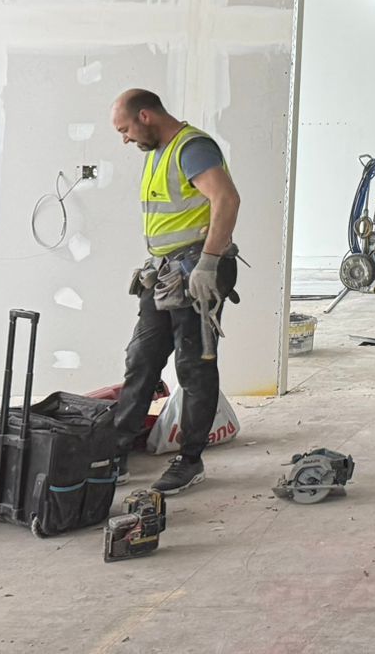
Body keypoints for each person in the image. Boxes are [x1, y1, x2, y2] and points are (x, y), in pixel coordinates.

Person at [110, 89, 241, 495]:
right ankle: (117, 450)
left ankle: (190, 459)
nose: (125, 139)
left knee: (194, 366)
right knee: (142, 357)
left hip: (195, 272)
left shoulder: (192, 148)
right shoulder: (157, 152)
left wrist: (209, 262)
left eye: (125, 129)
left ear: (145, 116)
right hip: (166, 273)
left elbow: (227, 199)